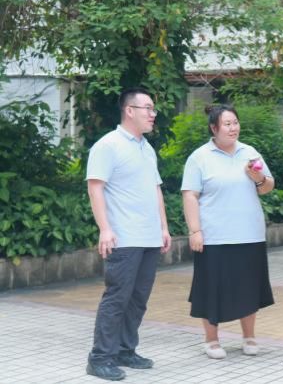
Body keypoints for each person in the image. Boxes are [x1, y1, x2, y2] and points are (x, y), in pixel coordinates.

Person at [85, 87, 172, 381]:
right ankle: (100, 358)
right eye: (148, 108)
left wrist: (163, 227)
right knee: (117, 298)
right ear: (129, 111)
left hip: (148, 236)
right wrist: (105, 229)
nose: (153, 114)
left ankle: (125, 350)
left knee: (138, 299)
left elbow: (155, 190)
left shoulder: (146, 148)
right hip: (123, 237)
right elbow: (95, 187)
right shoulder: (108, 145)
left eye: (153, 108)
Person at [181, 105, 275, 360]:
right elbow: (190, 195)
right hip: (215, 236)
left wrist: (257, 178)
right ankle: (211, 340)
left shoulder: (250, 152)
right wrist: (195, 230)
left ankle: (249, 337)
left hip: (250, 233)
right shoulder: (200, 157)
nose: (234, 128)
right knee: (212, 288)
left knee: (249, 286)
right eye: (227, 124)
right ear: (214, 128)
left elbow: (267, 186)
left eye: (235, 122)